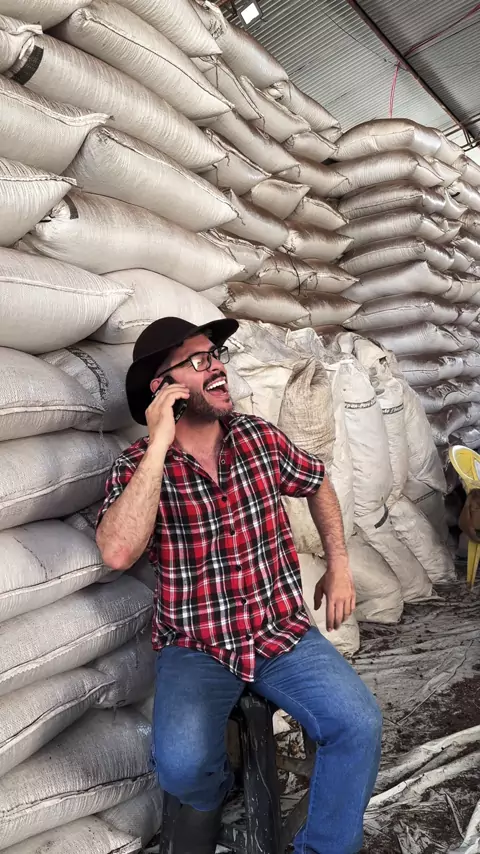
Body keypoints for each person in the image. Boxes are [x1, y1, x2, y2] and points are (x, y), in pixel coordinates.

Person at [96, 316, 382, 854]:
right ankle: (211, 796)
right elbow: (117, 552)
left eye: (216, 356)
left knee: (358, 724)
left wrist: (339, 564)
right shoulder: (137, 467)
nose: (218, 368)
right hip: (196, 645)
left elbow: (317, 480)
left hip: (281, 633)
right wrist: (159, 445)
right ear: (164, 388)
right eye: (199, 361)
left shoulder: (259, 438)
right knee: (182, 769)